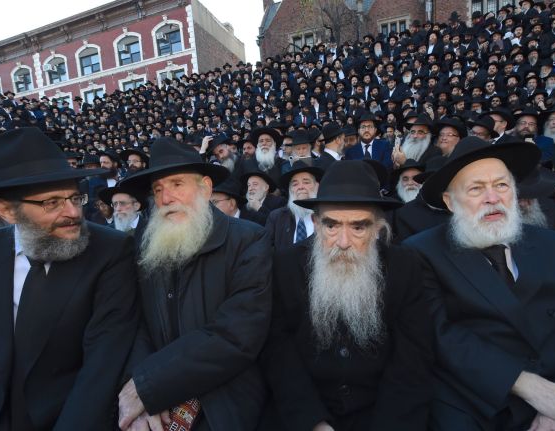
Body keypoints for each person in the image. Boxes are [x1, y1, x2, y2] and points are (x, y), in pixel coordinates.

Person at [0, 127, 139, 429]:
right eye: (52, 202)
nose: (73, 212)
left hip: (71, 411)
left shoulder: (110, 250)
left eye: (75, 197)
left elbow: (103, 364)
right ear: (7, 210)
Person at [404, 137, 555, 431]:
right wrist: (528, 385)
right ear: (450, 202)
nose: (493, 198)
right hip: (473, 400)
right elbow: (441, 337)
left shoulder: (554, 245)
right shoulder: (421, 251)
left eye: (501, 185)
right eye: (476, 188)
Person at [259, 160, 432, 431]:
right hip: (304, 412)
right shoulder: (285, 265)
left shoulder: (405, 266)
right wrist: (312, 421)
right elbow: (278, 352)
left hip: (382, 412)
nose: (343, 242)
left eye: (358, 227)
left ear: (377, 228)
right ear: (316, 223)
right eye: (331, 226)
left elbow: (412, 361)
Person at [117, 138, 272, 431]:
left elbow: (237, 335)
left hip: (224, 402)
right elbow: (135, 324)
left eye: (177, 184)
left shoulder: (249, 240)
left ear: (206, 188)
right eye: (158, 189)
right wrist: (137, 389)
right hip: (153, 400)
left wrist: (148, 385)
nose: (165, 198)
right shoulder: (145, 243)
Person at [264, 161, 323, 251]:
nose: (300, 187)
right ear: (290, 190)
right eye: (295, 184)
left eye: (306, 182)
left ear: (317, 186)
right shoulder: (276, 217)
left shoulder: (327, 215)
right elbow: (266, 250)